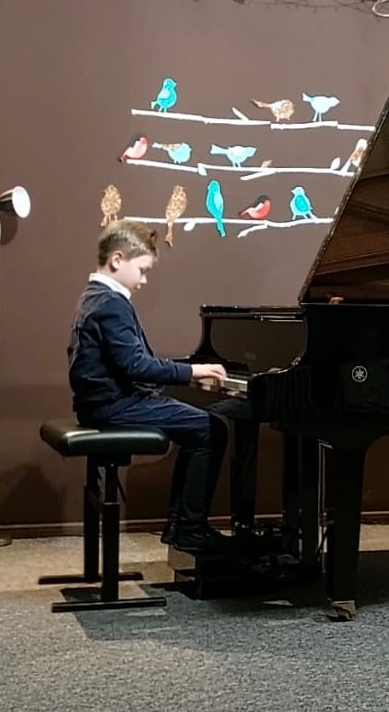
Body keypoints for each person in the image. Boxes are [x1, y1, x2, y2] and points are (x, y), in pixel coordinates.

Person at [67, 219, 250, 556]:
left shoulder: (93, 297)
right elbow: (136, 366)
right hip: (115, 405)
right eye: (142, 270)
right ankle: (189, 528)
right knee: (211, 429)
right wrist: (192, 372)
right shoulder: (111, 303)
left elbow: (132, 362)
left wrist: (185, 373)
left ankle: (180, 526)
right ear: (118, 259)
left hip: (102, 402)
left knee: (201, 426)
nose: (144, 280)